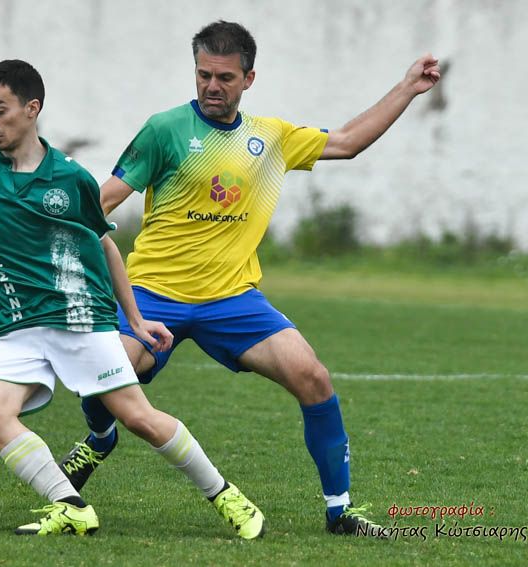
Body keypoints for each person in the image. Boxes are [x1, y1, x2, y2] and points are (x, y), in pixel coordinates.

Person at [59, 21, 441, 537]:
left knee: (313, 377)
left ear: (248, 79)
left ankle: (341, 510)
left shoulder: (271, 138)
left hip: (232, 299)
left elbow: (348, 143)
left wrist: (407, 88)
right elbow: (103, 202)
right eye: (203, 75)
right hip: (153, 293)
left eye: (225, 77)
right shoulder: (165, 130)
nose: (212, 87)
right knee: (107, 373)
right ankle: (101, 438)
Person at [0, 59, 264, 538]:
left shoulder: (71, 178)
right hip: (14, 326)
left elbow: (106, 246)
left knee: (139, 419)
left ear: (31, 108)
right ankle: (71, 506)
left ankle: (227, 496)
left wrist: (136, 320)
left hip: (80, 319)